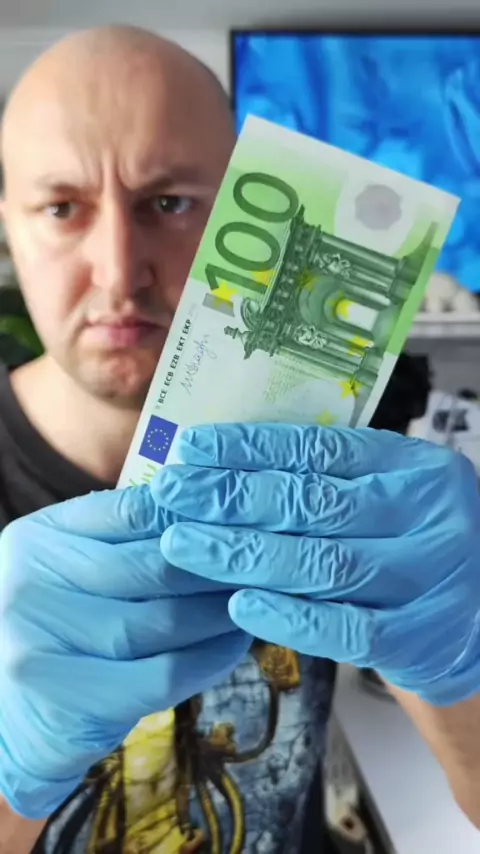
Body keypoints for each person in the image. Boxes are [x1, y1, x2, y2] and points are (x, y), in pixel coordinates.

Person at [0, 24, 479, 854]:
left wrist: (463, 663)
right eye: (62, 208)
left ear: (241, 206)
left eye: (169, 203)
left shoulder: (333, 449)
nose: (119, 272)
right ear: (9, 223)